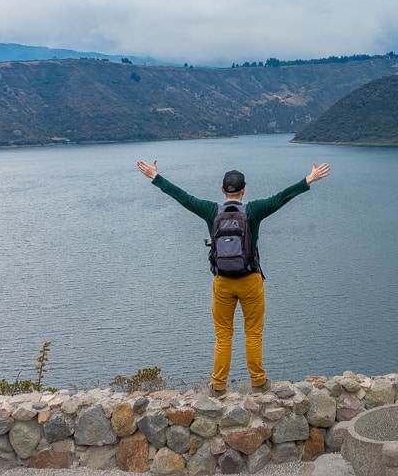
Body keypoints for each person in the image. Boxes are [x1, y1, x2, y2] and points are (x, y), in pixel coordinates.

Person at [136, 158, 331, 397]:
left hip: (222, 282)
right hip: (250, 280)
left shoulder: (211, 211)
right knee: (253, 333)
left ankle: (218, 386)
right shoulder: (254, 210)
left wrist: (156, 178)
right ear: (244, 190)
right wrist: (308, 180)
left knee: (223, 335)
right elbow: (281, 198)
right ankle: (258, 382)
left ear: (222, 190)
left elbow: (183, 198)